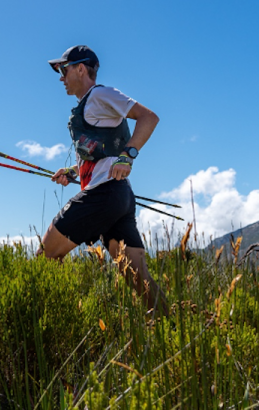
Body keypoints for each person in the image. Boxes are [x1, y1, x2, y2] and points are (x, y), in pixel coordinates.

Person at [37, 45, 168, 316]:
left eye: (64, 69)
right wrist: (73, 172)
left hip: (104, 194)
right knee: (138, 278)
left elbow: (149, 117)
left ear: (81, 69)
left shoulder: (100, 94)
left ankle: (65, 322)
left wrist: (129, 155)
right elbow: (100, 154)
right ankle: (171, 329)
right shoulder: (90, 106)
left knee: (47, 257)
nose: (61, 77)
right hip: (118, 197)